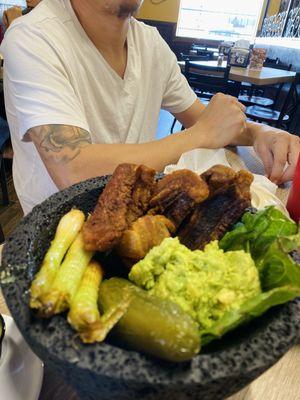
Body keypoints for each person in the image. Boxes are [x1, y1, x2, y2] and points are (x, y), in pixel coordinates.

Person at [1, 0, 299, 215]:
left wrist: (262, 133)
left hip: (136, 211)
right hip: (57, 227)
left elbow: (204, 118)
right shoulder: (34, 37)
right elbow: (74, 170)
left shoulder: (150, 43)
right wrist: (200, 134)